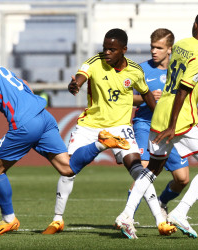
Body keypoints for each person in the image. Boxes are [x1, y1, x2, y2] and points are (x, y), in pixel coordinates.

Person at [0, 46, 125, 236]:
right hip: (44, 116)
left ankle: (9, 220)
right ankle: (102, 143)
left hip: (24, 123)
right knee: (67, 168)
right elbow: (25, 83)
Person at [42, 28, 176, 238]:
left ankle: (161, 222)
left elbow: (146, 95)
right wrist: (75, 85)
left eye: (112, 49)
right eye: (105, 48)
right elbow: (80, 77)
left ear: (124, 50)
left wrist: (159, 118)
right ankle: (57, 219)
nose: (107, 52)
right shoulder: (95, 62)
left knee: (138, 170)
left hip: (120, 127)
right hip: (90, 126)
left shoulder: (134, 70)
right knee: (68, 169)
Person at [116, 11, 198, 239]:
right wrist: (174, 124)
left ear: (194, 25)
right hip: (181, 118)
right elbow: (184, 89)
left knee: (153, 169)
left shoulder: (181, 44)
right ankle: (180, 212)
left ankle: (126, 215)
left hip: (159, 112)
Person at [130, 28, 189, 219]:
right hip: (145, 124)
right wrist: (145, 98)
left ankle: (162, 203)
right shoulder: (141, 69)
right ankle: (127, 216)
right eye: (152, 47)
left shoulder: (179, 70)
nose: (154, 51)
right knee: (144, 169)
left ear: (170, 49)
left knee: (182, 179)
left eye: (159, 48)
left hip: (170, 128)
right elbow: (126, 98)